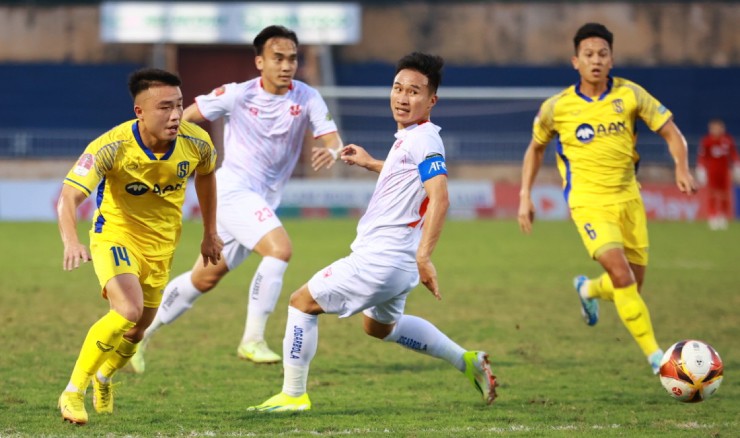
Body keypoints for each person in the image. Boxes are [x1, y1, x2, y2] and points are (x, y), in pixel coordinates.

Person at [248, 52, 497, 413]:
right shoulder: (410, 138)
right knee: (379, 328)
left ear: (432, 101)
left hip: (382, 258)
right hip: (399, 264)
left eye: (414, 91)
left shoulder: (424, 139)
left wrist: (426, 256)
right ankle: (466, 360)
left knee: (301, 302)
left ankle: (293, 393)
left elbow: (440, 198)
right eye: (397, 88)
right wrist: (370, 163)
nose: (402, 97)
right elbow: (408, 176)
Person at [130, 25, 343, 372]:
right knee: (280, 249)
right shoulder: (237, 94)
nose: (287, 65)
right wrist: (158, 150)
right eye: (278, 58)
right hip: (231, 190)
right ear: (260, 62)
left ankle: (135, 338)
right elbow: (185, 118)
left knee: (203, 279)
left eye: (292, 58)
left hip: (260, 201)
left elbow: (332, 139)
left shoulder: (307, 97)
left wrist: (332, 153)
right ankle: (252, 339)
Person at [517, 23, 697, 375]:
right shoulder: (558, 107)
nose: (595, 60)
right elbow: (535, 149)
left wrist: (682, 166)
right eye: (588, 55)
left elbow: (671, 131)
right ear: (575, 61)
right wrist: (526, 194)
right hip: (587, 202)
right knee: (622, 275)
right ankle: (657, 358)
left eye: (602, 54)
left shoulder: (630, 95)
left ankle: (587, 290)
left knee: (631, 284)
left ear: (611, 59)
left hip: (629, 198)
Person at [56, 68, 222, 425]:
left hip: (162, 246)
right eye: (165, 107)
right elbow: (68, 197)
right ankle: (73, 391)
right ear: (140, 111)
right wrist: (71, 240)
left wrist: (210, 232)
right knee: (128, 310)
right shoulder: (111, 146)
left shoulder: (198, 144)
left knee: (137, 330)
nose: (176, 115)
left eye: (179, 105)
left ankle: (105, 377)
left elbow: (207, 175)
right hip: (115, 236)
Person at [696, 118, 739, 230]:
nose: (716, 130)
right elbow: (702, 156)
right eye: (714, 128)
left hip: (724, 172)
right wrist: (701, 169)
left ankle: (723, 216)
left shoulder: (727, 140)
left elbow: (733, 154)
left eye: (719, 128)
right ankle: (712, 216)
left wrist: (737, 166)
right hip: (712, 172)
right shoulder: (707, 141)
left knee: (725, 194)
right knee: (712, 195)